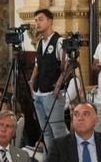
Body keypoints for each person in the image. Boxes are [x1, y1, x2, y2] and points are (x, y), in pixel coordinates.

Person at [28, 8, 70, 149]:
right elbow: (37, 64)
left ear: (50, 21)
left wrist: (58, 85)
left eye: (40, 19)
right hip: (39, 92)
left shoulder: (59, 41)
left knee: (57, 130)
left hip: (52, 92)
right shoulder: (40, 42)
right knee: (45, 131)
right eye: (35, 20)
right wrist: (31, 81)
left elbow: (68, 66)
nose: (37, 23)